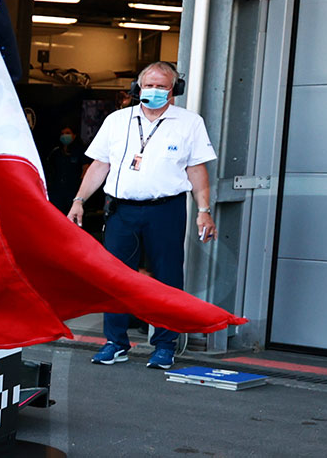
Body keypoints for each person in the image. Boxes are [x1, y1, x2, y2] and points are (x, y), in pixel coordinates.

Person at [66, 61, 217, 370]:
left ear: (174, 90)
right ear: (138, 87)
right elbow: (100, 165)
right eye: (149, 85)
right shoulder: (117, 121)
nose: (154, 91)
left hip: (166, 210)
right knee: (115, 277)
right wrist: (79, 200)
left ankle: (164, 345)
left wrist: (204, 210)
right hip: (122, 211)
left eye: (162, 86)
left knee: (167, 278)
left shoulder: (189, 123)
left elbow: (197, 169)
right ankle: (115, 342)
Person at [44, 125, 90, 214]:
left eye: (68, 133)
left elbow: (86, 169)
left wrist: (80, 186)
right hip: (57, 189)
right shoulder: (56, 151)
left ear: (74, 135)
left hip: (73, 190)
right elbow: (49, 168)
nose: (64, 135)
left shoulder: (80, 151)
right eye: (62, 133)